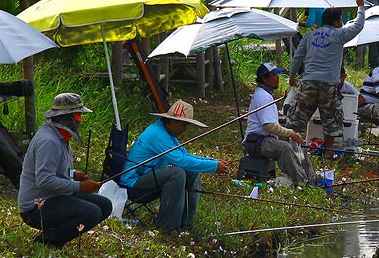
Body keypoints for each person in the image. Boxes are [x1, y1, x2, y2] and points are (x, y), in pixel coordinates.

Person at [18, 93, 111, 247]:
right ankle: (47, 241)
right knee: (92, 212)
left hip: (55, 196)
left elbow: (54, 170)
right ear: (66, 117)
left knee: (104, 205)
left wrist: (73, 174)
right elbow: (45, 180)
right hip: (36, 206)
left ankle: (56, 232)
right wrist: (79, 186)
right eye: (78, 116)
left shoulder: (59, 137)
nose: (80, 120)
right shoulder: (49, 141)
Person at [122, 99, 228, 233]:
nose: (185, 129)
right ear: (172, 121)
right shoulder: (158, 135)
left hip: (149, 176)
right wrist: (213, 167)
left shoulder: (166, 133)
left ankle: (186, 222)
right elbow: (181, 161)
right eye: (183, 124)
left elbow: (185, 155)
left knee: (190, 170)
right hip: (133, 184)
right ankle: (168, 227)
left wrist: (211, 161)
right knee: (177, 173)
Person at [288, 0, 366, 159]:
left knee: (298, 117)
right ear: (337, 22)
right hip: (329, 85)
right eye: (341, 20)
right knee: (330, 118)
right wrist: (360, 7)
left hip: (308, 82)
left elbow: (298, 57)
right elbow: (358, 25)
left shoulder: (309, 36)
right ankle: (329, 152)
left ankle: (292, 148)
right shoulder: (339, 34)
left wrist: (292, 75)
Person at [244, 63, 315, 186]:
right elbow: (269, 126)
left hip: (265, 139)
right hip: (257, 142)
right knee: (284, 147)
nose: (277, 77)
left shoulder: (265, 94)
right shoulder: (263, 97)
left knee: (295, 143)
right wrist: (291, 133)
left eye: (277, 74)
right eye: (273, 75)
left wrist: (291, 134)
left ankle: (309, 176)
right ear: (264, 78)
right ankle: (301, 182)